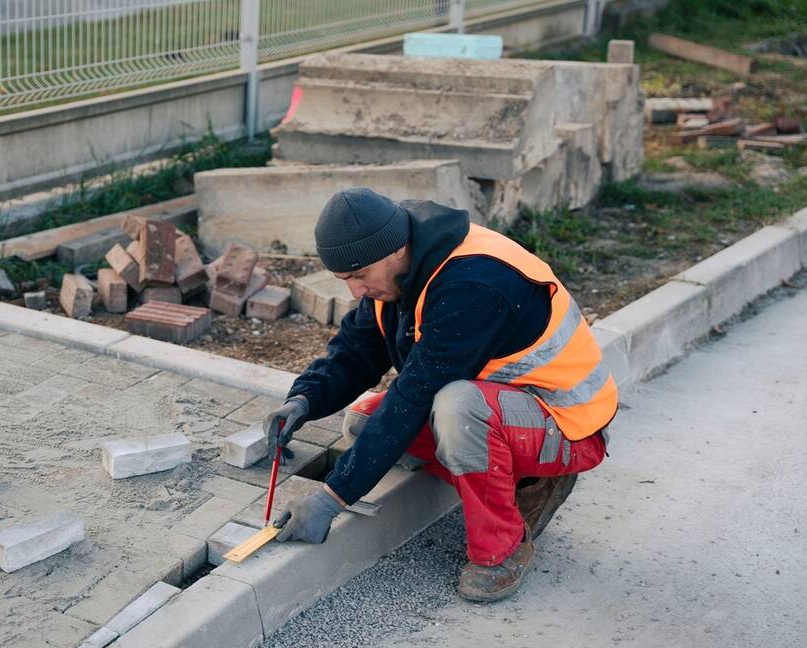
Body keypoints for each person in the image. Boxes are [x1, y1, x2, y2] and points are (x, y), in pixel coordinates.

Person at [263, 187, 617, 602]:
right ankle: (522, 483)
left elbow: (413, 397)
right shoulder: (398, 268)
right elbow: (355, 352)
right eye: (345, 280)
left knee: (457, 409)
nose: (355, 291)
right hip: (509, 411)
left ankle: (502, 551)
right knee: (363, 421)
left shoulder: (473, 283)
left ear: (396, 250)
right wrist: (303, 400)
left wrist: (330, 499)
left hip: (568, 424)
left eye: (359, 277)